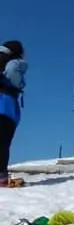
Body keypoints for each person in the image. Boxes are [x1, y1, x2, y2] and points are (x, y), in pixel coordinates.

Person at [0, 40, 27, 187]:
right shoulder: (13, 63)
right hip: (4, 104)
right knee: (3, 142)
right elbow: (13, 76)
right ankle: (1, 178)